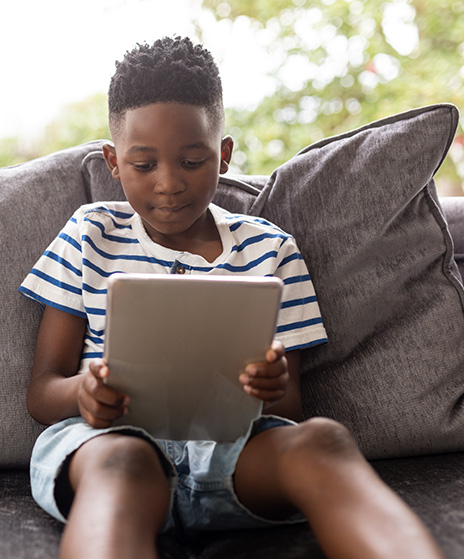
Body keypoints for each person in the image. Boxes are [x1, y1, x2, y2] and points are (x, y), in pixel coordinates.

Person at [19, 36, 443, 559]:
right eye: (144, 165)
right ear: (112, 161)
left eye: (193, 161)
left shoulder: (271, 250)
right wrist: (83, 392)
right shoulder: (90, 232)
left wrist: (269, 385)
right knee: (123, 465)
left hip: (232, 455)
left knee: (323, 440)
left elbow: (286, 408)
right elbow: (42, 391)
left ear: (223, 155)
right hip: (106, 447)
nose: (170, 184)